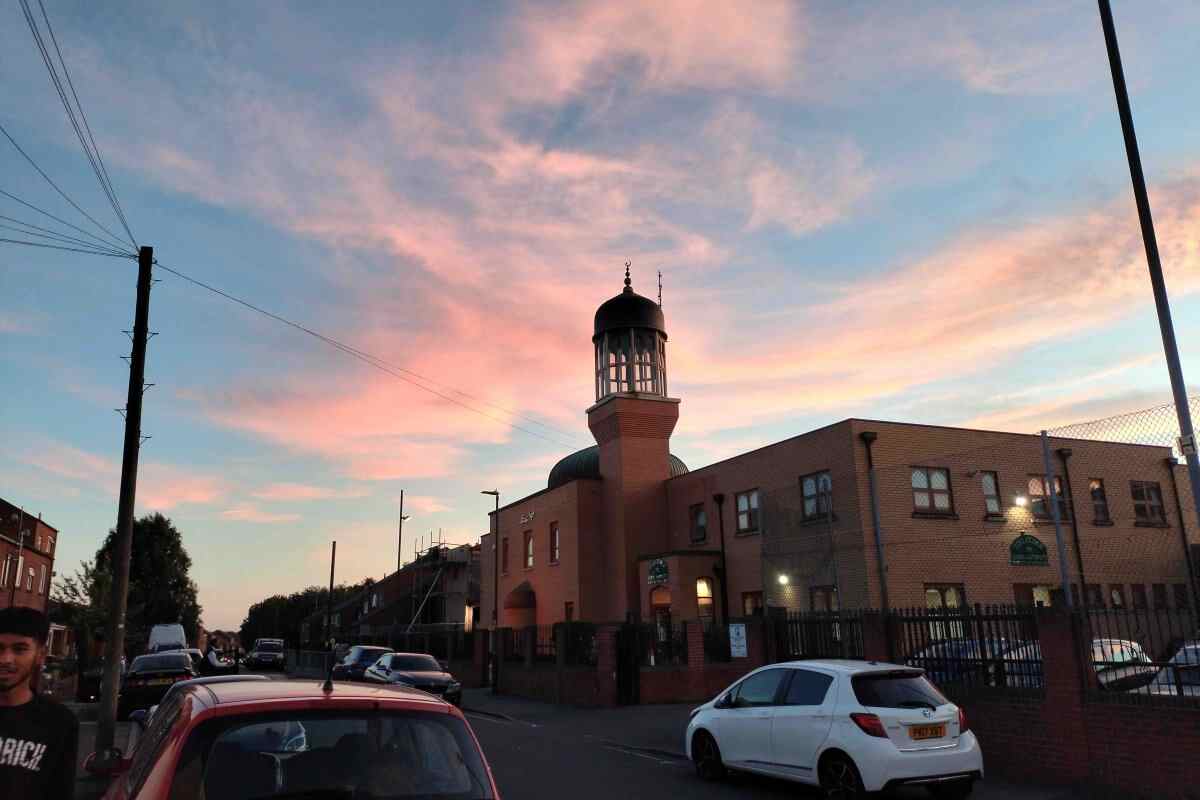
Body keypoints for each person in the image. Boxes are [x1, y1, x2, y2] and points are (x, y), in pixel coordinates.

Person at [0, 606, 79, 799]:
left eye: (20, 649)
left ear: (40, 655)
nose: (5, 659)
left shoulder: (59, 723)